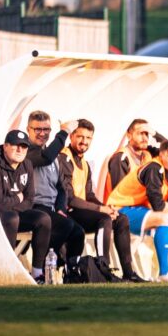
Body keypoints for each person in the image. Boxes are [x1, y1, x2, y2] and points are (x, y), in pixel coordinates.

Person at [59, 119, 145, 282]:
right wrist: (102, 210)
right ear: (71, 136)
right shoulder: (64, 158)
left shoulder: (84, 163)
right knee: (104, 219)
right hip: (68, 212)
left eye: (88, 138)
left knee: (121, 219)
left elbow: (89, 194)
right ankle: (103, 268)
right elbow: (69, 199)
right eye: (80, 137)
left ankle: (129, 273)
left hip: (82, 211)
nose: (84, 141)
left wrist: (107, 208)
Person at [106, 139, 168, 282]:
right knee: (164, 217)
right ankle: (164, 272)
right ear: (161, 154)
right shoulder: (155, 167)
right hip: (119, 210)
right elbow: (159, 206)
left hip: (139, 211)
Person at [26, 111, 85, 278]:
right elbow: (45, 157)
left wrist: (60, 208)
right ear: (28, 129)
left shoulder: (55, 156)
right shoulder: (26, 151)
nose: (42, 133)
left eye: (46, 129)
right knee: (65, 225)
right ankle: (41, 270)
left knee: (78, 232)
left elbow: (61, 188)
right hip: (34, 208)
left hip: (51, 209)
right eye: (37, 129)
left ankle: (71, 273)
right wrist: (64, 132)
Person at [0, 129, 51, 283]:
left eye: (24, 146)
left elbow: (29, 199)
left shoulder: (27, 164)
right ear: (5, 146)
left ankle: (37, 272)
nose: (20, 150)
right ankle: (7, 268)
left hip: (16, 213)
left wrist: (14, 203)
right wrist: (18, 198)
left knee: (43, 219)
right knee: (11, 218)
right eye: (15, 145)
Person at [104, 119, 165, 201]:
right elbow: (120, 196)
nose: (144, 138)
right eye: (140, 133)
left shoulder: (148, 152)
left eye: (146, 134)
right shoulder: (121, 158)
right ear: (129, 136)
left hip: (141, 205)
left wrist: (154, 133)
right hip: (121, 209)